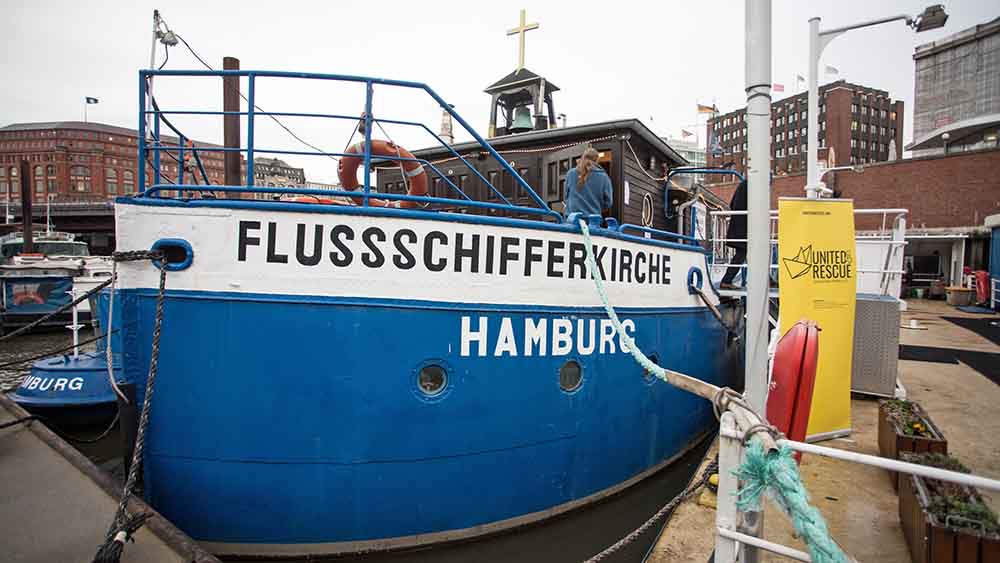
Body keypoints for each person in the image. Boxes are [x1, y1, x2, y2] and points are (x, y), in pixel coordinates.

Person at [564, 147, 612, 218]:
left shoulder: (571, 173)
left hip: (572, 219)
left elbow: (566, 196)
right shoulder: (604, 177)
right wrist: (596, 207)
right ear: (597, 160)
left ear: (582, 157)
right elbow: (608, 203)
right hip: (593, 221)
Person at [720, 179, 747, 289]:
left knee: (742, 254)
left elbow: (732, 204)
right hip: (745, 228)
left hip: (738, 226)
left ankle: (727, 280)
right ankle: (726, 281)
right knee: (742, 254)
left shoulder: (743, 185)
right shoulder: (753, 187)